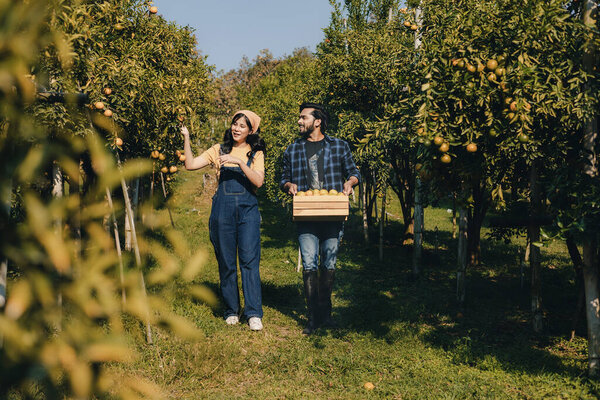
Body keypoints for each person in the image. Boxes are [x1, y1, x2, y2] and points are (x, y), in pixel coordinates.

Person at [181, 110, 266, 331]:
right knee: (226, 262)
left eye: (242, 126)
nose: (237, 129)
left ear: (251, 131)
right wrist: (186, 138)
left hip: (247, 211)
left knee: (249, 260)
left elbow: (258, 182)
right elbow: (190, 165)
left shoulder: (255, 153)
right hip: (222, 211)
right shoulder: (218, 150)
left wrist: (239, 163)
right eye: (234, 124)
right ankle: (231, 310)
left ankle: (253, 312)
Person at [280, 102, 360, 335]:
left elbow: (354, 172)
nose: (299, 121)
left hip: (333, 213)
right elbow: (283, 177)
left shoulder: (339, 146)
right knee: (309, 263)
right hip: (306, 214)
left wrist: (350, 183)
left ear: (317, 121)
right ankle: (313, 317)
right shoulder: (293, 148)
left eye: (303, 118)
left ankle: (326, 313)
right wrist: (288, 185)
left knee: (329, 264)